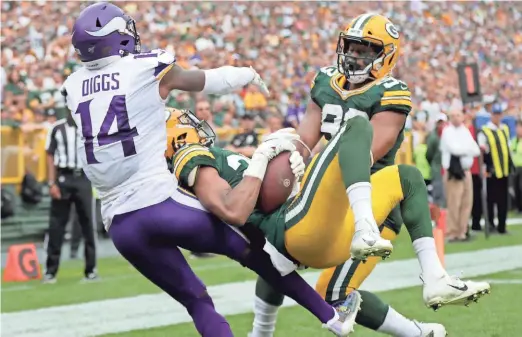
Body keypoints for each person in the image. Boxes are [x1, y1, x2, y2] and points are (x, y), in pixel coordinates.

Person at [63, 4, 357, 336]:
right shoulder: (145, 68)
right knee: (255, 248)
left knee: (197, 302)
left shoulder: (72, 87)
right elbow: (206, 80)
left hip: (120, 225)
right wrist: (245, 73)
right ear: (119, 38)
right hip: (160, 203)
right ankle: (332, 317)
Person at [250, 13, 488, 337]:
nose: (353, 56)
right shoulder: (325, 82)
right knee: (275, 251)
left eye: (365, 50)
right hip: (328, 191)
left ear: (385, 56)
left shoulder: (392, 92)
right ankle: (421, 329)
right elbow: (304, 143)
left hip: (373, 201)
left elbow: (365, 154)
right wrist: (280, 154)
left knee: (331, 292)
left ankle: (429, 287)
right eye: (350, 47)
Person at [166, 108, 360, 336]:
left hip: (275, 218)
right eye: (186, 123)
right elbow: (238, 205)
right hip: (274, 223)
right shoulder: (189, 158)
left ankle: (331, 315)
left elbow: (262, 178)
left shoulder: (211, 155)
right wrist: (263, 159)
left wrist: (287, 176)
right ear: (176, 138)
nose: (197, 126)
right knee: (353, 132)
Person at [43, 113, 97, 283]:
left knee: (88, 224)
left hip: (83, 178)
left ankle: (91, 270)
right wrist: (51, 183)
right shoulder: (57, 128)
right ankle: (51, 271)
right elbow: (49, 154)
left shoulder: (89, 126)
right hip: (63, 178)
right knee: (57, 225)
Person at [440, 109, 480, 242]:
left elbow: (476, 150)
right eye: (453, 116)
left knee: (466, 202)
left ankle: (462, 231)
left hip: (466, 170)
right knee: (454, 203)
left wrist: (465, 149)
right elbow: (454, 149)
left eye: (458, 115)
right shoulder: (447, 132)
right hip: (453, 171)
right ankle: (452, 232)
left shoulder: (465, 131)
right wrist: (467, 150)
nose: (456, 118)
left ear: (462, 117)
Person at [477, 104, 513, 234]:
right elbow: (482, 152)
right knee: (491, 199)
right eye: (495, 114)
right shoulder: (485, 130)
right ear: (491, 115)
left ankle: (502, 226)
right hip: (491, 170)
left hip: (503, 170)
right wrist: (483, 168)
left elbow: (507, 148)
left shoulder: (505, 129)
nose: (497, 117)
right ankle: (491, 224)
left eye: (499, 114)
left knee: (503, 199)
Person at [511, 119, 522, 213]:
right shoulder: (514, 140)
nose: (518, 129)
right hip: (516, 167)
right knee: (516, 188)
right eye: (517, 127)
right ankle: (518, 207)